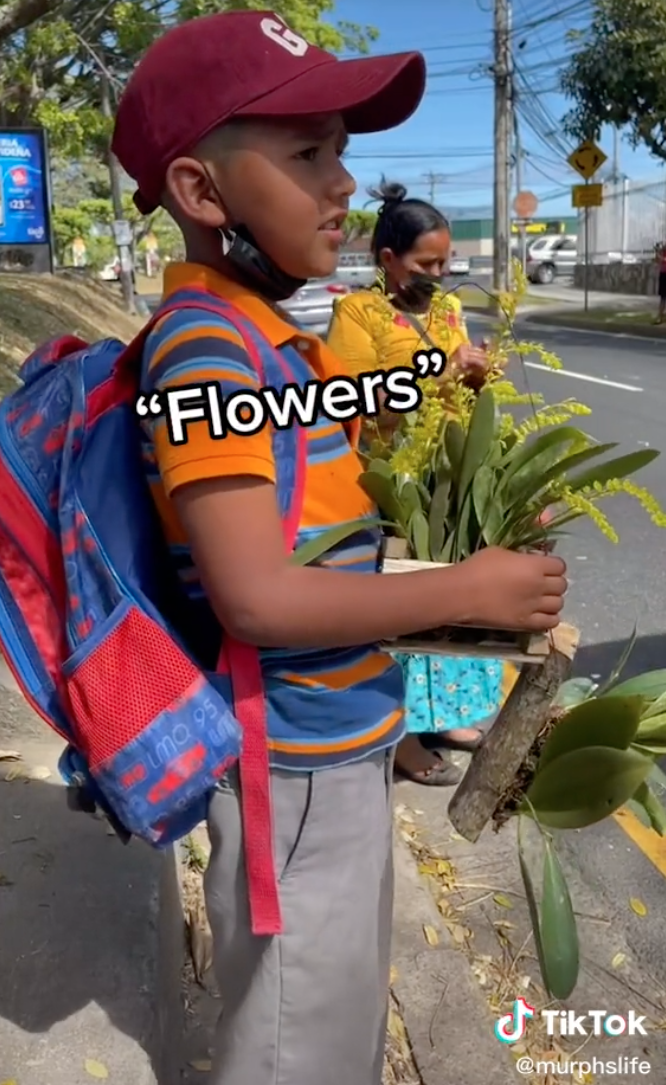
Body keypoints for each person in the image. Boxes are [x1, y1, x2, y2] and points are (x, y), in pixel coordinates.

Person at [111, 13, 567, 1085]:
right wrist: (467, 585)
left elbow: (327, 505)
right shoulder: (208, 351)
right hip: (288, 765)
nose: (345, 183)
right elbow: (258, 599)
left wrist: (473, 517)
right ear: (201, 192)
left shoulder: (270, 338)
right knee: (296, 1047)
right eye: (309, 152)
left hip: (334, 745)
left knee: (339, 1020)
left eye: (343, 150)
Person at [327, 182, 519, 786]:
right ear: (387, 260)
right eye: (425, 264)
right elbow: (352, 409)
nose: (440, 275)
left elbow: (464, 397)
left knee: (453, 599)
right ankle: (402, 734)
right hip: (391, 488)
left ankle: (450, 715)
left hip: (447, 482)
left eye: (445, 263)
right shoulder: (357, 314)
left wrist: (479, 378)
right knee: (401, 611)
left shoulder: (446, 312)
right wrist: (437, 381)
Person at [655, 241, 666, 324]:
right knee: (663, 297)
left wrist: (660, 257)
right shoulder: (663, 250)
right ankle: (660, 316)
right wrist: (657, 252)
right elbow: (658, 261)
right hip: (663, 273)